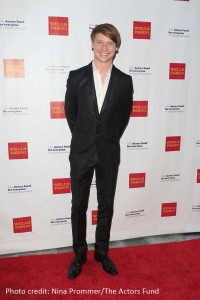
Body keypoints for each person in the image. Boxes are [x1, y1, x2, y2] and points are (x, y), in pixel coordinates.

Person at [65, 23, 133, 279]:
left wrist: (107, 139)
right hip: (81, 152)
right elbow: (70, 113)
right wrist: (84, 137)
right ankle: (79, 253)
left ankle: (102, 252)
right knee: (78, 205)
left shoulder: (125, 81)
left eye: (110, 43)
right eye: (100, 41)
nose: (104, 48)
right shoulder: (76, 77)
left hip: (108, 153)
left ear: (117, 48)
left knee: (106, 205)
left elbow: (123, 118)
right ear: (92, 43)